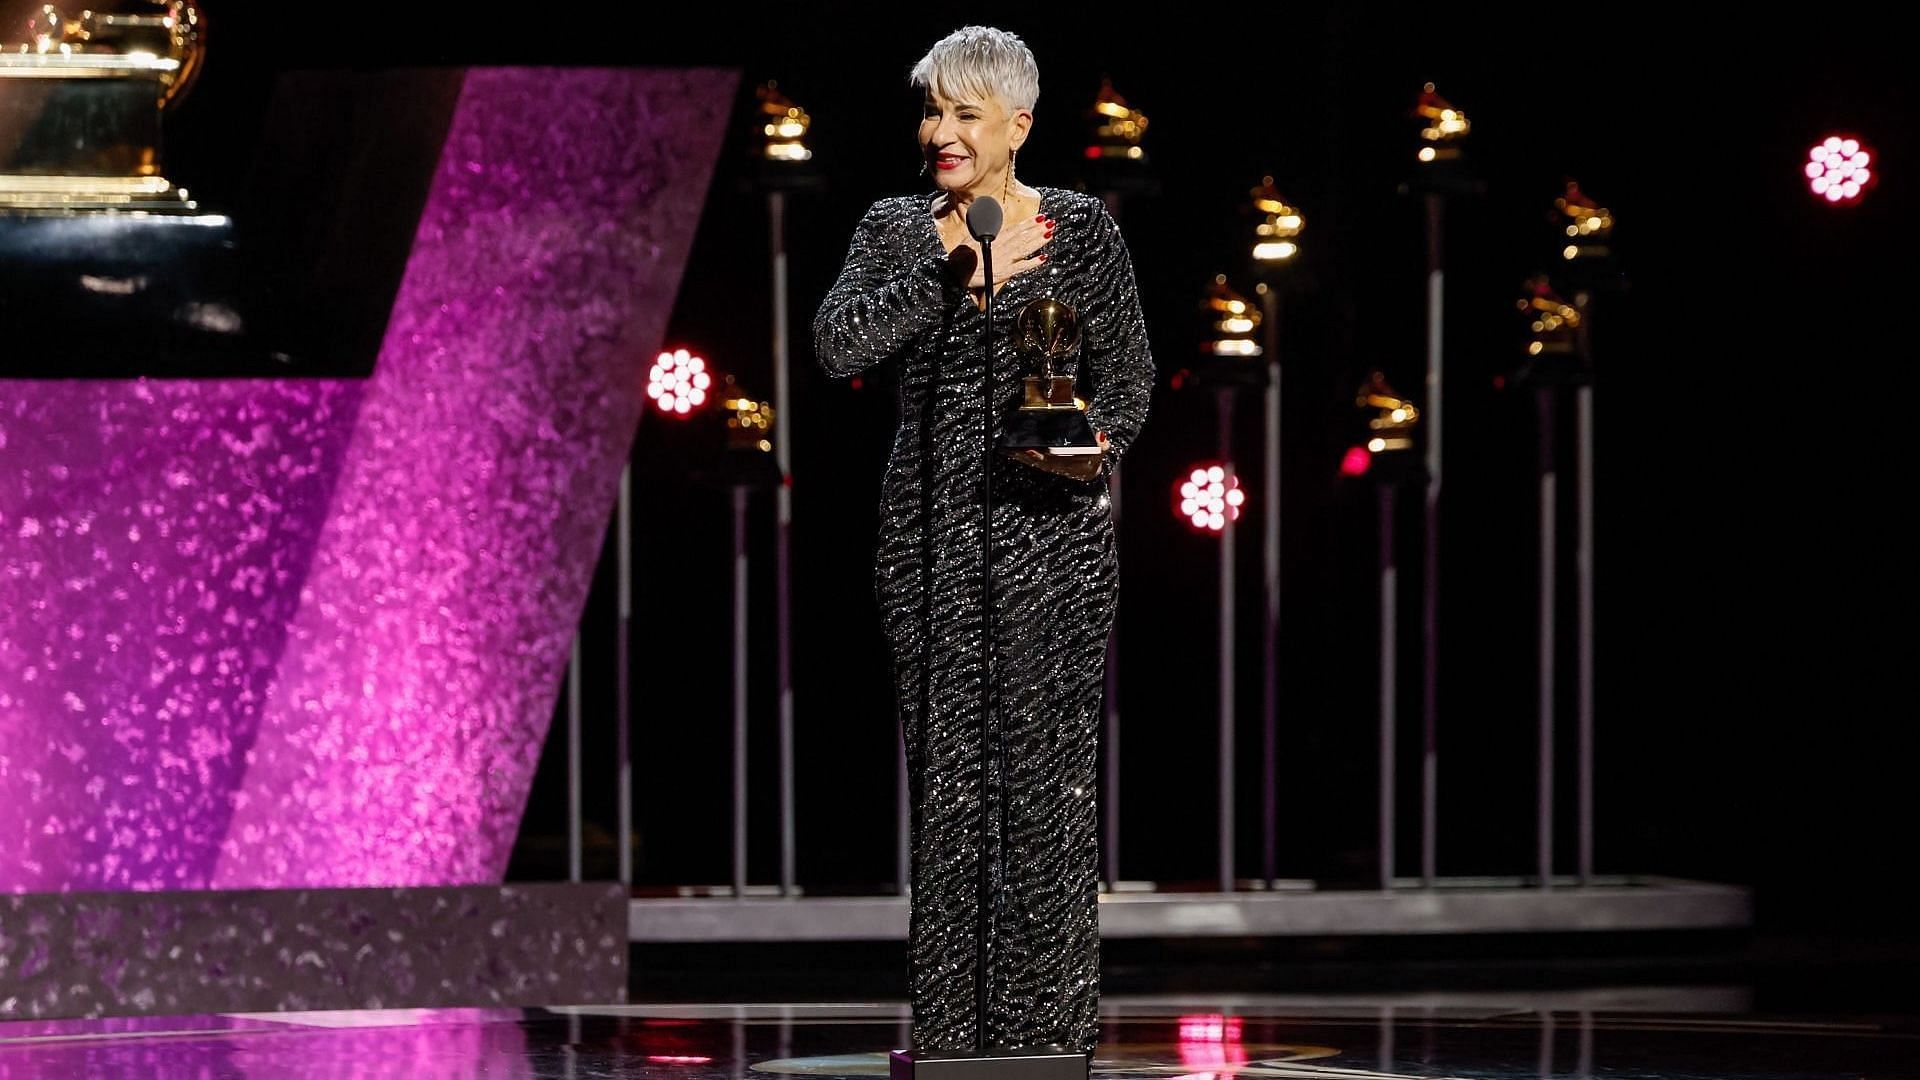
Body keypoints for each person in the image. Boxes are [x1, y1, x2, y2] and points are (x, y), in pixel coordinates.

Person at [812, 25, 1152, 1056]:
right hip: (929, 545)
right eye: (932, 111)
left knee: (1045, 786)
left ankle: (1048, 1034)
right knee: (952, 784)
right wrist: (956, 271)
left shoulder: (1083, 231)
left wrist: (1090, 446)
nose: (941, 132)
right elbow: (837, 346)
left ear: (1019, 124)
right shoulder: (897, 227)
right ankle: (956, 1035)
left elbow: (1128, 376)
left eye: (965, 114)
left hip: (1054, 544)